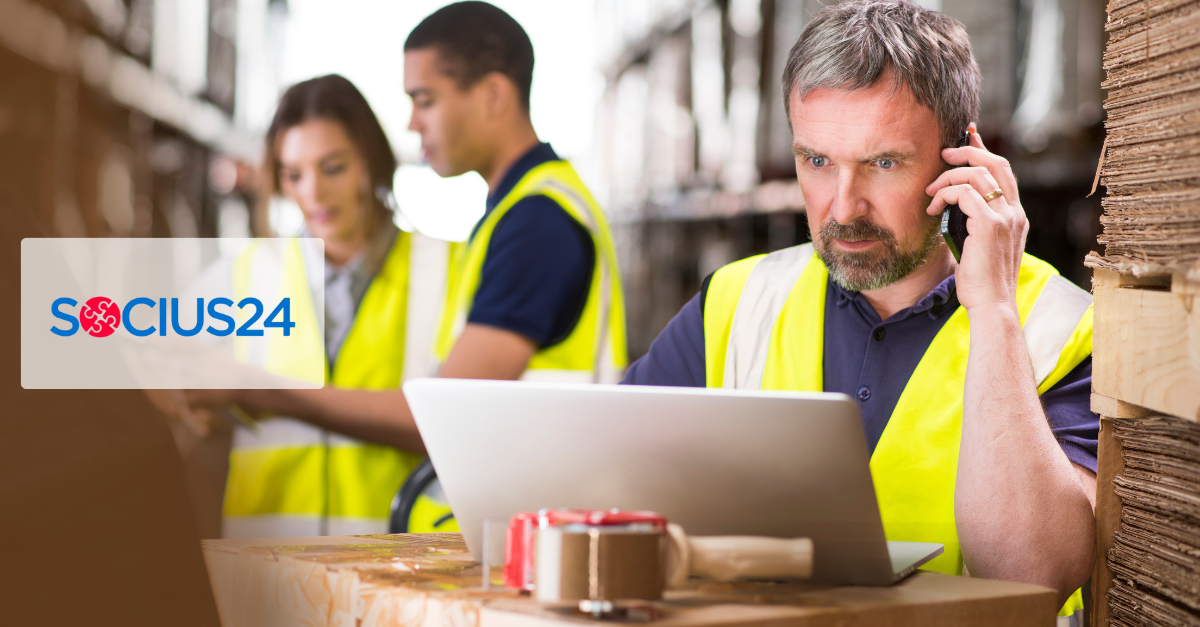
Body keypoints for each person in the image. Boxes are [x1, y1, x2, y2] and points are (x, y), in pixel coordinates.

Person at [623, 1, 1097, 621]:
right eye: (817, 161)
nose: (843, 208)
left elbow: (1030, 578)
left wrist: (994, 311)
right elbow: (610, 501)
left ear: (963, 159)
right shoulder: (735, 304)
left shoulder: (1059, 329)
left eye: (883, 163)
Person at [184, 75, 449, 538]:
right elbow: (146, 355)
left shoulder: (446, 267)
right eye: (293, 174)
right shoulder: (245, 275)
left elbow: (452, 422)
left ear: (371, 161)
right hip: (269, 577)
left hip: (399, 571)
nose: (313, 194)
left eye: (333, 167)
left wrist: (251, 389)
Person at [403, 1, 627, 386]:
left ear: (493, 95)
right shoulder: (518, 209)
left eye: (425, 101)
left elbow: (451, 410)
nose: (412, 124)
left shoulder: (537, 224)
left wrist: (285, 396)